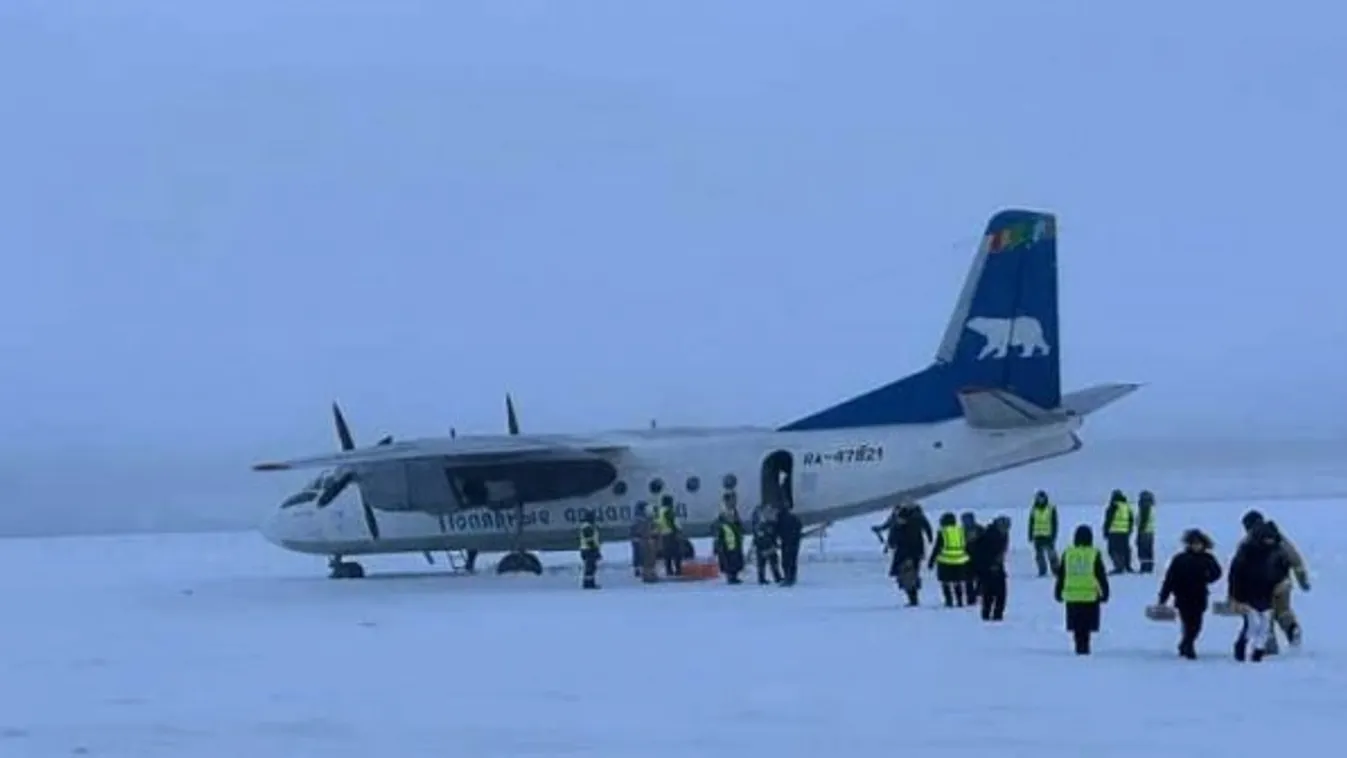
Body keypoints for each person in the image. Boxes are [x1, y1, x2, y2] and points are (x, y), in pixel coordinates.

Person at [1228, 521, 1292, 662]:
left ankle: (1258, 651)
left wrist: (1282, 583)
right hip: (1247, 595)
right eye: (1266, 538)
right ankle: (1241, 647)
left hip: (1267, 595)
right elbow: (1235, 575)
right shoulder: (1246, 552)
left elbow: (1284, 569)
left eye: (1271, 538)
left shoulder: (1277, 553)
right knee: (1252, 625)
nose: (1269, 541)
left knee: (1264, 626)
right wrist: (1234, 597)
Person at [1156, 528, 1222, 659]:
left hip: (1200, 596)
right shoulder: (1180, 559)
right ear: (1189, 544)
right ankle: (1188, 646)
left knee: (1197, 624)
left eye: (1199, 544)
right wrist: (1163, 597)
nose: (1196, 546)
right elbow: (1169, 579)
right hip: (1182, 596)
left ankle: (1185, 643)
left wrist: (1208, 577)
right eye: (1193, 544)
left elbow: (1217, 573)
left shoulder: (1208, 558)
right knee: (1187, 622)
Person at [1054, 524, 1111, 655]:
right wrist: (1105, 592)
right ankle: (1085, 648)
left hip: (1072, 596)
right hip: (1089, 596)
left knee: (1077, 627)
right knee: (1086, 627)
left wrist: (1058, 591)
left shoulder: (1068, 553)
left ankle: (1079, 647)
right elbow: (1100, 575)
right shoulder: (1094, 554)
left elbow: (1062, 575)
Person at [872, 502, 932, 606]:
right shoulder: (916, 520)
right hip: (914, 553)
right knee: (910, 576)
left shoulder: (903, 525)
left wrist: (890, 544)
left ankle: (913, 599)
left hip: (905, 554)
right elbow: (926, 528)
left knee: (908, 576)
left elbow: (893, 534)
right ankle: (913, 598)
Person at [972, 515, 1011, 621]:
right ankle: (989, 614)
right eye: (1004, 527)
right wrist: (988, 566)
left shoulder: (1002, 535)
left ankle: (995, 614)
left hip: (996, 568)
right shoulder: (989, 536)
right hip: (988, 569)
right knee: (991, 593)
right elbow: (980, 553)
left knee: (998, 594)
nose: (1006, 530)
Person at [928, 512, 971, 607]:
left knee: (945, 582)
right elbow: (966, 545)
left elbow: (937, 547)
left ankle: (949, 601)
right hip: (960, 560)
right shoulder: (961, 531)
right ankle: (959, 601)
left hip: (945, 560)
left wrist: (931, 561)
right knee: (957, 582)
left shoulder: (943, 532)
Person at [712, 494, 746, 584]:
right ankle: (730, 576)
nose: (735, 502)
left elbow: (737, 522)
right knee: (728, 558)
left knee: (736, 558)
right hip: (727, 539)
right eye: (733, 500)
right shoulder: (724, 510)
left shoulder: (734, 510)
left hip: (734, 538)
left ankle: (734, 575)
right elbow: (719, 524)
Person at [1027, 490, 1059, 577]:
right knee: (1039, 556)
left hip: (1048, 535)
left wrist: (1054, 535)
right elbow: (1031, 523)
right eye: (1038, 498)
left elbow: (1054, 523)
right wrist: (1030, 534)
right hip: (1037, 535)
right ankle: (1042, 571)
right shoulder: (1034, 509)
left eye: (1041, 498)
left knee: (1052, 555)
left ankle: (1056, 571)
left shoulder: (1051, 508)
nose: (1040, 500)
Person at [1102, 489, 1134, 574]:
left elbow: (1108, 520)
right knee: (1125, 549)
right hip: (1125, 532)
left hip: (1114, 532)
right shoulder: (1126, 507)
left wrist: (1105, 531)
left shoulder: (1113, 506)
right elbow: (1131, 520)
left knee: (1113, 550)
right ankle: (1127, 566)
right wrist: (1129, 530)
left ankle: (1118, 567)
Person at [752, 506, 783, 584]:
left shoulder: (772, 524)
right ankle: (761, 578)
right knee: (761, 563)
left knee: (774, 562)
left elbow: (775, 536)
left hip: (771, 547)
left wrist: (775, 545)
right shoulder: (760, 526)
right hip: (762, 548)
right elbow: (759, 537)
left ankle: (777, 577)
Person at [655, 495, 682, 577]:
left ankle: (669, 570)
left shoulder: (660, 511)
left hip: (663, 534)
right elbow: (673, 522)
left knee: (667, 554)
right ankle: (678, 570)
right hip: (671, 534)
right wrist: (678, 531)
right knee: (677, 553)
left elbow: (657, 522)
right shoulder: (669, 511)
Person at [960, 512, 985, 605]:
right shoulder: (961, 531)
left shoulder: (980, 529)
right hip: (966, 557)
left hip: (977, 557)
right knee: (969, 579)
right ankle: (971, 597)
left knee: (978, 577)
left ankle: (976, 592)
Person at [777, 504, 803, 586]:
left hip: (786, 542)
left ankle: (787, 578)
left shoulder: (780, 519)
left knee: (786, 561)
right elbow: (800, 526)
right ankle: (792, 577)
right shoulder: (794, 518)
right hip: (795, 542)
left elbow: (777, 530)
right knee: (793, 560)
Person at [578, 509, 602, 590]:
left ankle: (590, 582)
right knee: (590, 567)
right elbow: (589, 539)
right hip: (589, 550)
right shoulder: (587, 527)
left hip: (588, 549)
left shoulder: (589, 526)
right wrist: (595, 550)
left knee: (591, 567)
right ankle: (588, 584)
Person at [1136, 490, 1158, 574]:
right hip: (1150, 532)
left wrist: (1140, 532)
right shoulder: (1151, 507)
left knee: (1143, 550)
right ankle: (1149, 567)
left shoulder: (1145, 507)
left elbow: (1143, 521)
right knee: (1149, 550)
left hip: (1144, 532)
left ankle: (1144, 567)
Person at [629, 503, 652, 578]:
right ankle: (639, 570)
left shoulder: (638, 518)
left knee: (638, 554)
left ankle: (639, 569)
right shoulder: (640, 519)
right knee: (640, 554)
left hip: (639, 539)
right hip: (639, 539)